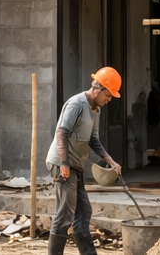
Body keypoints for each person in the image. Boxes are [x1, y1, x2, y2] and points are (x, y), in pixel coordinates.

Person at [46, 67, 124, 255]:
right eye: (109, 95)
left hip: (76, 165)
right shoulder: (76, 104)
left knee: (83, 212)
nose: (109, 99)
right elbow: (61, 133)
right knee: (64, 214)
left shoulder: (95, 110)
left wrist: (110, 160)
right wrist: (64, 163)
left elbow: (93, 140)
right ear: (98, 89)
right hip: (62, 164)